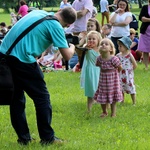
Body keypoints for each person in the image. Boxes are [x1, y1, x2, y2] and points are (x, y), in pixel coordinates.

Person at [0, 7, 77, 145]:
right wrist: (72, 47)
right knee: (42, 97)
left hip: (4, 56)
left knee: (16, 99)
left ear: (59, 11)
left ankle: (24, 139)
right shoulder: (56, 25)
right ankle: (48, 138)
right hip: (22, 60)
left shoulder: (38, 13)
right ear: (68, 25)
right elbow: (66, 56)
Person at [94, 38, 123, 118]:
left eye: (106, 44)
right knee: (102, 95)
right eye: (101, 44)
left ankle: (113, 113)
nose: (103, 45)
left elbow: (120, 67)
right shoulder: (99, 59)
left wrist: (115, 74)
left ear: (111, 49)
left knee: (113, 98)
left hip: (113, 80)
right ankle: (104, 112)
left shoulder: (114, 59)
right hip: (103, 80)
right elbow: (98, 65)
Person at [80, 31, 102, 112]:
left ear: (98, 40)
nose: (91, 40)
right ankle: (89, 109)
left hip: (99, 70)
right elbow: (81, 48)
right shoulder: (87, 48)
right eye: (89, 39)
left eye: (94, 39)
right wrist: (85, 46)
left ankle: (104, 106)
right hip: (90, 70)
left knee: (100, 88)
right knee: (90, 90)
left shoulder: (100, 49)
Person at [116, 36, 137, 105]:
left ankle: (134, 102)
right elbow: (116, 64)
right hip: (120, 74)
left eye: (120, 46)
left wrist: (130, 70)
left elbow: (135, 65)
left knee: (130, 87)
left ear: (126, 46)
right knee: (121, 87)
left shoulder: (129, 55)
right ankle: (122, 100)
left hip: (128, 75)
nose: (119, 47)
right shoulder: (118, 55)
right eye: (118, 46)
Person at [138, 1, 150, 70]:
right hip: (145, 32)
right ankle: (146, 66)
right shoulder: (145, 7)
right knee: (145, 50)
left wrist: (147, 19)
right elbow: (141, 18)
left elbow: (144, 19)